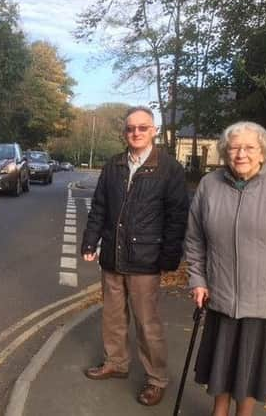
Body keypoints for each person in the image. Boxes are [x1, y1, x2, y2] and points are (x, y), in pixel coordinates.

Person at [184, 121, 266, 416]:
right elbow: (195, 238)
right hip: (220, 295)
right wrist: (198, 279)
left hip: (265, 301)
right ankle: (219, 412)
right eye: (234, 147)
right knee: (220, 366)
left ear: (262, 152)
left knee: (249, 371)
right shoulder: (210, 185)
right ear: (225, 152)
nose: (241, 154)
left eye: (249, 147)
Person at [81, 106, 189, 406]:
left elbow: (177, 216)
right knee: (113, 316)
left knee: (147, 323)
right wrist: (89, 242)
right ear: (124, 132)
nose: (136, 133)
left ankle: (157, 379)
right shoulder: (114, 165)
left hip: (146, 260)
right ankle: (116, 362)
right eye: (130, 128)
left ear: (153, 130)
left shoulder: (169, 168)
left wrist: (169, 257)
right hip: (113, 256)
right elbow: (100, 207)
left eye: (142, 127)